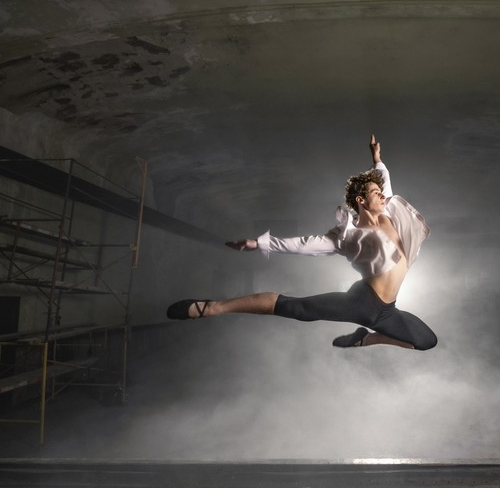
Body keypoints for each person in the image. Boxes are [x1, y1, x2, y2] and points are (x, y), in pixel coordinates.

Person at [166, 135, 437, 350]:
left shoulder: (388, 211)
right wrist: (260, 243)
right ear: (360, 201)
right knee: (299, 309)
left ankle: (365, 339)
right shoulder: (347, 235)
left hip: (388, 311)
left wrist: (377, 159)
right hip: (364, 302)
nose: (383, 196)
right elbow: (303, 244)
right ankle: (212, 308)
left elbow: (384, 180)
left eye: (381, 193)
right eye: (376, 193)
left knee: (427, 342)